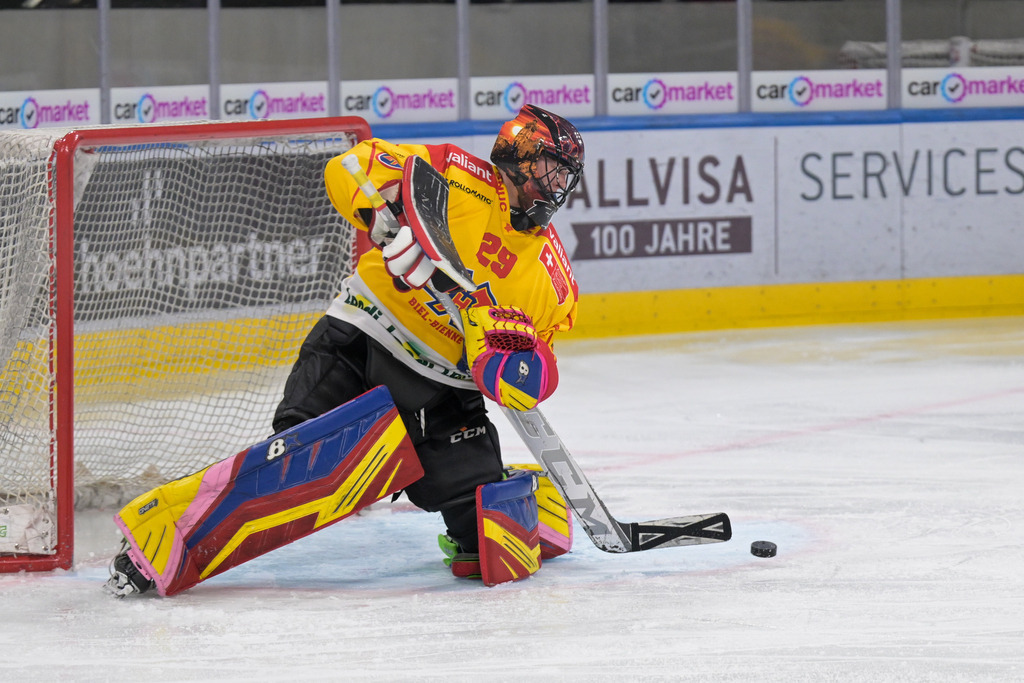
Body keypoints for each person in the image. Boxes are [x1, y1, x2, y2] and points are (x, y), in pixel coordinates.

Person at [107, 103, 584, 594]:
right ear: (516, 153)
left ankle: (527, 491)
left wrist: (507, 362)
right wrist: (379, 215)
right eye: (551, 167)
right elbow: (350, 166)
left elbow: (533, 371)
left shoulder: (553, 280)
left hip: (444, 398)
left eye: (565, 176)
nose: (557, 185)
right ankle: (162, 539)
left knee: (493, 548)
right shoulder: (451, 172)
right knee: (296, 467)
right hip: (359, 343)